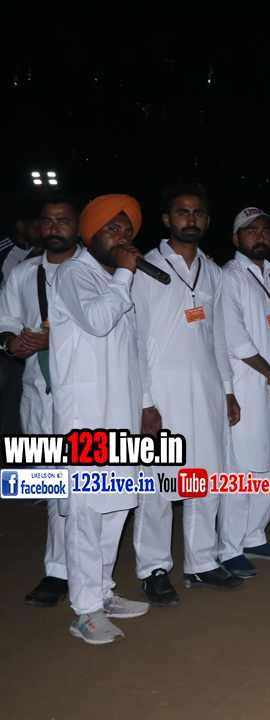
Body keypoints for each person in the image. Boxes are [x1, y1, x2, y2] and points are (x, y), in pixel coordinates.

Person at [132, 183, 242, 605]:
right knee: (159, 484)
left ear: (208, 221)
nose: (190, 219)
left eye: (198, 213)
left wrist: (227, 390)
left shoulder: (213, 272)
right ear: (167, 219)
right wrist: (145, 401)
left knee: (207, 477)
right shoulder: (145, 267)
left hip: (207, 390)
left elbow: (218, 337)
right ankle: (154, 569)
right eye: (182, 212)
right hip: (163, 393)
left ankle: (201, 562)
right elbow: (138, 336)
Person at [51, 194, 150, 643]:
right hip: (86, 419)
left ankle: (103, 592)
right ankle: (84, 610)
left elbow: (133, 351)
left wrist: (144, 404)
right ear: (89, 233)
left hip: (121, 415)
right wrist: (126, 275)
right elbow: (96, 321)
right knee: (86, 513)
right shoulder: (73, 273)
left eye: (128, 231)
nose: (122, 238)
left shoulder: (116, 280)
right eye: (112, 229)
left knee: (116, 506)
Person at [0, 194, 81, 608]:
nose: (54, 228)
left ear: (78, 225)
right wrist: (11, 343)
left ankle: (85, 569)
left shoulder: (97, 271)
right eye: (47, 221)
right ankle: (59, 571)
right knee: (54, 484)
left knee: (85, 485)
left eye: (63, 221)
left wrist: (58, 339)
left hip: (86, 395)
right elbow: (6, 322)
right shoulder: (23, 273)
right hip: (40, 393)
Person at [217, 207, 270, 578]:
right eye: (251, 231)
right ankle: (229, 547)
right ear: (236, 239)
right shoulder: (228, 277)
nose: (260, 237)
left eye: (266, 231)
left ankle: (254, 536)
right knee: (243, 466)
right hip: (248, 384)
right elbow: (234, 337)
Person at [0, 197, 42, 437]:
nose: (43, 232)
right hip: (8, 335)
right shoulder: (4, 250)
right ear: (20, 225)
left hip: (34, 334)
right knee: (11, 391)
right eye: (37, 227)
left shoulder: (44, 251)